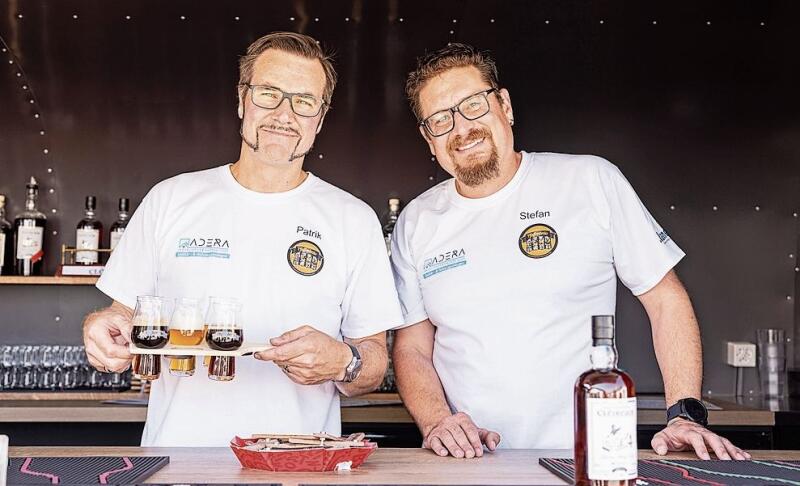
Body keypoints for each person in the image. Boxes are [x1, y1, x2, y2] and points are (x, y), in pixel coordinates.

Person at [390, 43, 750, 461]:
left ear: (504, 105)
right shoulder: (417, 221)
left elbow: (665, 300)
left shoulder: (590, 180)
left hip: (588, 457)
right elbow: (413, 345)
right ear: (427, 137)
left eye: (473, 105)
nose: (461, 127)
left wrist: (684, 414)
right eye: (440, 119)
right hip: (469, 462)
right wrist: (437, 422)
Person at [83, 32, 403, 446]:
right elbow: (121, 314)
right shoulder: (171, 199)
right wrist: (101, 329)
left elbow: (374, 365)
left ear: (320, 119)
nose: (284, 115)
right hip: (178, 460)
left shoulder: (352, 219)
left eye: (303, 101)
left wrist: (344, 362)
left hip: (302, 468)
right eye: (269, 93)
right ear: (242, 99)